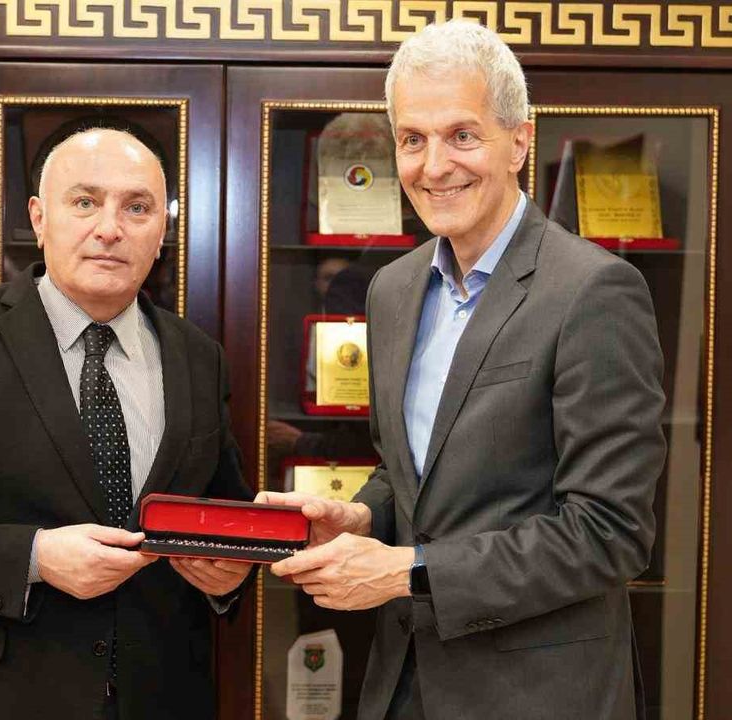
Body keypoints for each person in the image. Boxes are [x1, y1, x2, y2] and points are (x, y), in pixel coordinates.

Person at [261, 20, 666, 720]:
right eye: (413, 139)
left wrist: (409, 571)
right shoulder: (391, 289)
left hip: (538, 697)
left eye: (462, 135)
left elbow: (610, 531)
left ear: (520, 141)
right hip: (402, 682)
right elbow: (413, 473)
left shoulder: (594, 290)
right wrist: (362, 515)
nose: (434, 165)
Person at [0, 128, 253, 720]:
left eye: (137, 208)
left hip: (164, 696)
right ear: (39, 218)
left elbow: (223, 517)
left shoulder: (197, 356)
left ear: (162, 230)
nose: (110, 228)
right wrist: (33, 557)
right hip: (0, 699)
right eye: (85, 202)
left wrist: (229, 578)